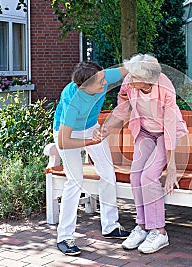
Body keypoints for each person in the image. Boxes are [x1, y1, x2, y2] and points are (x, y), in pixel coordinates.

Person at [93, 54, 189, 254]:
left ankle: (160, 231)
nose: (129, 78)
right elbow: (123, 105)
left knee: (148, 176)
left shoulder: (165, 89)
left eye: (135, 77)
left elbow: (170, 127)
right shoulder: (130, 82)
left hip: (165, 133)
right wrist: (106, 127)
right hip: (145, 131)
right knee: (136, 175)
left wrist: (172, 167)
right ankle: (143, 226)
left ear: (147, 79)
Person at [53, 61, 130, 256]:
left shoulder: (101, 77)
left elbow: (131, 69)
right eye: (99, 83)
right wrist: (89, 142)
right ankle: (64, 237)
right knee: (75, 180)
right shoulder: (72, 101)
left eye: (103, 78)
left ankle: (110, 225)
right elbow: (63, 142)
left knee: (107, 173)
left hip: (91, 127)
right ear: (83, 87)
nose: (105, 84)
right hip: (67, 135)